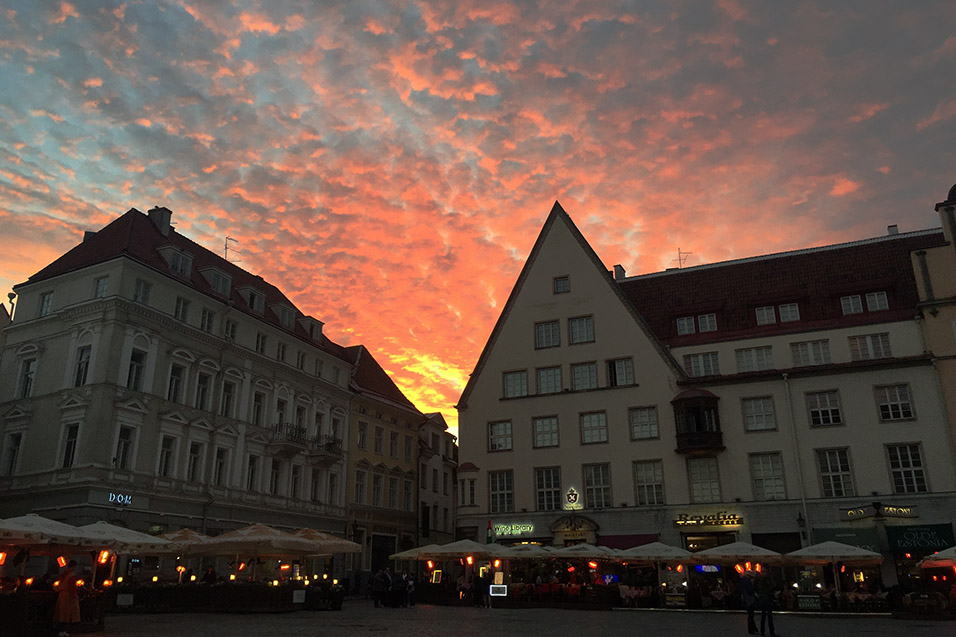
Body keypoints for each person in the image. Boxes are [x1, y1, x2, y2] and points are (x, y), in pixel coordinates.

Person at [54, 559, 82, 636]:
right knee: (66, 614)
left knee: (61, 613)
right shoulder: (71, 575)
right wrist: (74, 596)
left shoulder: (64, 574)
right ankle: (62, 630)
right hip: (68, 596)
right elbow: (71, 587)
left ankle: (60, 629)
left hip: (62, 595)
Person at [755, 571, 779, 637]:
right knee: (769, 616)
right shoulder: (767, 576)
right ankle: (772, 632)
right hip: (767, 598)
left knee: (763, 616)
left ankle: (762, 631)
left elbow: (755, 586)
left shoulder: (758, 576)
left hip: (762, 598)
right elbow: (769, 588)